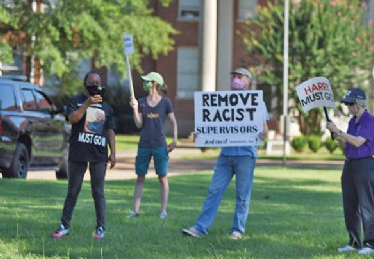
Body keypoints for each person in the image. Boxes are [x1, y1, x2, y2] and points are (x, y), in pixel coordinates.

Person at [182, 68, 268, 240]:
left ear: (248, 80)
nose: (236, 79)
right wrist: (203, 136)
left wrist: (261, 134)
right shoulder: (222, 101)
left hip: (246, 155)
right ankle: (200, 228)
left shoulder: (256, 102)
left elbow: (264, 129)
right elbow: (214, 126)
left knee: (243, 194)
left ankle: (238, 230)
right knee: (214, 190)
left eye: (239, 76)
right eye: (234, 76)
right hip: (226, 155)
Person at [52, 71, 116, 240]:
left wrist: (114, 153)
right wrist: (87, 103)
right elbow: (72, 119)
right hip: (78, 153)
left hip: (99, 154)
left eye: (98, 81)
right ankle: (64, 226)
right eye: (92, 82)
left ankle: (101, 228)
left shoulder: (107, 107)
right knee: (72, 191)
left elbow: (110, 130)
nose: (95, 84)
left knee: (98, 192)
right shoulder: (75, 101)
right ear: (85, 84)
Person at [326, 88, 374, 256]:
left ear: (359, 103)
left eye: (350, 104)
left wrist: (339, 131)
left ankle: (370, 244)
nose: (348, 107)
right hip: (350, 164)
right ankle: (354, 241)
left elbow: (357, 142)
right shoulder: (352, 122)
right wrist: (338, 137)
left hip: (365, 165)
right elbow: (348, 146)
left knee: (366, 205)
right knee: (350, 205)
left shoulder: (369, 120)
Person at [128, 72, 178, 219]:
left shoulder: (165, 102)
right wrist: (135, 108)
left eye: (147, 81)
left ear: (155, 83)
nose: (145, 83)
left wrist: (174, 141)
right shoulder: (142, 102)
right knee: (140, 177)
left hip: (160, 145)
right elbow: (139, 124)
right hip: (144, 144)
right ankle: (135, 211)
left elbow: (173, 122)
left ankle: (163, 211)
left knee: (163, 177)